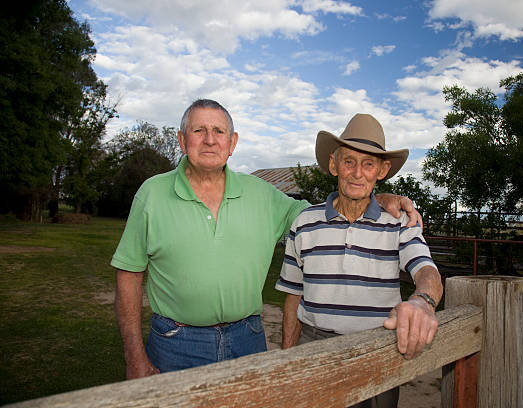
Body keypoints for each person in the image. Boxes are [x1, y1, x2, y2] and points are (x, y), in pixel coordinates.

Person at [112, 99, 423, 380]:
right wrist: (134, 356)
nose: (210, 139)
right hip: (175, 344)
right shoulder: (152, 194)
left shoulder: (262, 194)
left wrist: (375, 197)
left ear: (232, 143)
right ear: (182, 140)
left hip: (247, 339)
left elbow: (325, 214)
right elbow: (128, 274)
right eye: (199, 130)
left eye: (219, 131)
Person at [276, 113, 443, 408]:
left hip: (376, 349)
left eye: (368, 164)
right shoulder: (304, 222)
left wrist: (422, 302)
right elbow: (293, 296)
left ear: (382, 169)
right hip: (313, 349)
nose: (357, 173)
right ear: (333, 164)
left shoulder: (399, 222)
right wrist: (288, 359)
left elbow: (427, 271)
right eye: (349, 161)